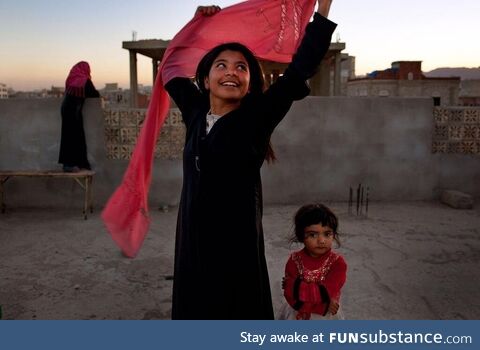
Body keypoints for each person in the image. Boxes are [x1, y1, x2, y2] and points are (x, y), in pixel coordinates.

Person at [163, 0, 337, 319]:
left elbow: (300, 69)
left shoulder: (256, 118)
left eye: (241, 67)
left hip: (234, 246)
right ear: (205, 79)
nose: (231, 72)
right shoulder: (195, 110)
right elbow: (171, 69)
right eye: (222, 65)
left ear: (249, 84)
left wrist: (322, 13)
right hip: (192, 240)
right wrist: (197, 23)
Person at [280, 203, 347, 320]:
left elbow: (327, 292)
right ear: (301, 236)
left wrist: (298, 288)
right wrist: (321, 306)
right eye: (313, 235)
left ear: (334, 235)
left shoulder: (337, 263)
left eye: (327, 234)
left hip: (327, 317)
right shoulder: (294, 261)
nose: (321, 240)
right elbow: (290, 295)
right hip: (299, 313)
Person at [58, 61, 99, 172]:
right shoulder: (84, 81)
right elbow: (95, 94)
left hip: (67, 110)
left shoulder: (71, 79)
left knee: (70, 136)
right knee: (73, 137)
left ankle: (77, 163)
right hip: (73, 111)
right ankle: (69, 165)